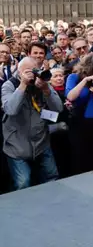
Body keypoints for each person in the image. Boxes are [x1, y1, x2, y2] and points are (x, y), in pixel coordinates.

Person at [2, 57, 63, 190]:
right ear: (19, 72)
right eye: (28, 71)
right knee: (23, 183)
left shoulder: (42, 84)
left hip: (41, 141)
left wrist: (46, 90)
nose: (32, 75)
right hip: (17, 145)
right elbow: (10, 109)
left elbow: (58, 108)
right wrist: (22, 85)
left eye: (35, 71)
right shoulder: (9, 85)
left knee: (52, 177)